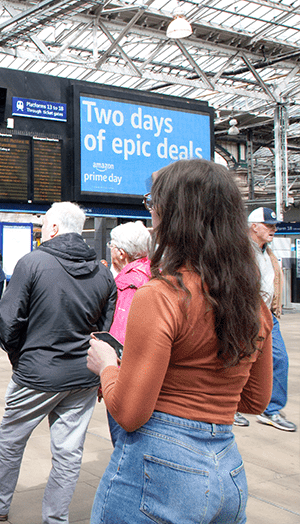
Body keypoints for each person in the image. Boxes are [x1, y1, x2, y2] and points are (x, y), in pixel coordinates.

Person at [87, 159, 274, 524]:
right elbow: (255, 400)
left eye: (153, 204)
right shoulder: (254, 303)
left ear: (174, 215)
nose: (151, 215)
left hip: (161, 473)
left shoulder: (160, 296)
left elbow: (128, 413)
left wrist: (107, 364)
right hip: (229, 472)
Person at [0, 202, 117, 523]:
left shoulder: (32, 263)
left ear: (56, 228)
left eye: (44, 223)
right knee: (69, 454)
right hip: (83, 378)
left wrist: (20, 359)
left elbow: (8, 321)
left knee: (11, 439)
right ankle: (55, 518)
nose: (42, 229)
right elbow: (105, 329)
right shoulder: (103, 272)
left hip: (36, 374)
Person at [239, 207, 296, 432]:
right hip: (243, 313)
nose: (274, 229)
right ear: (254, 227)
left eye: (274, 225)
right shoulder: (240, 251)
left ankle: (270, 411)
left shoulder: (268, 252)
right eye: (269, 225)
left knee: (279, 359)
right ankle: (230, 407)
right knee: (236, 359)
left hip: (267, 315)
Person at [104, 220, 152, 446]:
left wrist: (107, 376)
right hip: (151, 375)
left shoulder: (127, 284)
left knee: (123, 443)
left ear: (121, 253)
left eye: (112, 245)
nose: (110, 249)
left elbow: (119, 340)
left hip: (127, 381)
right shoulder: (156, 274)